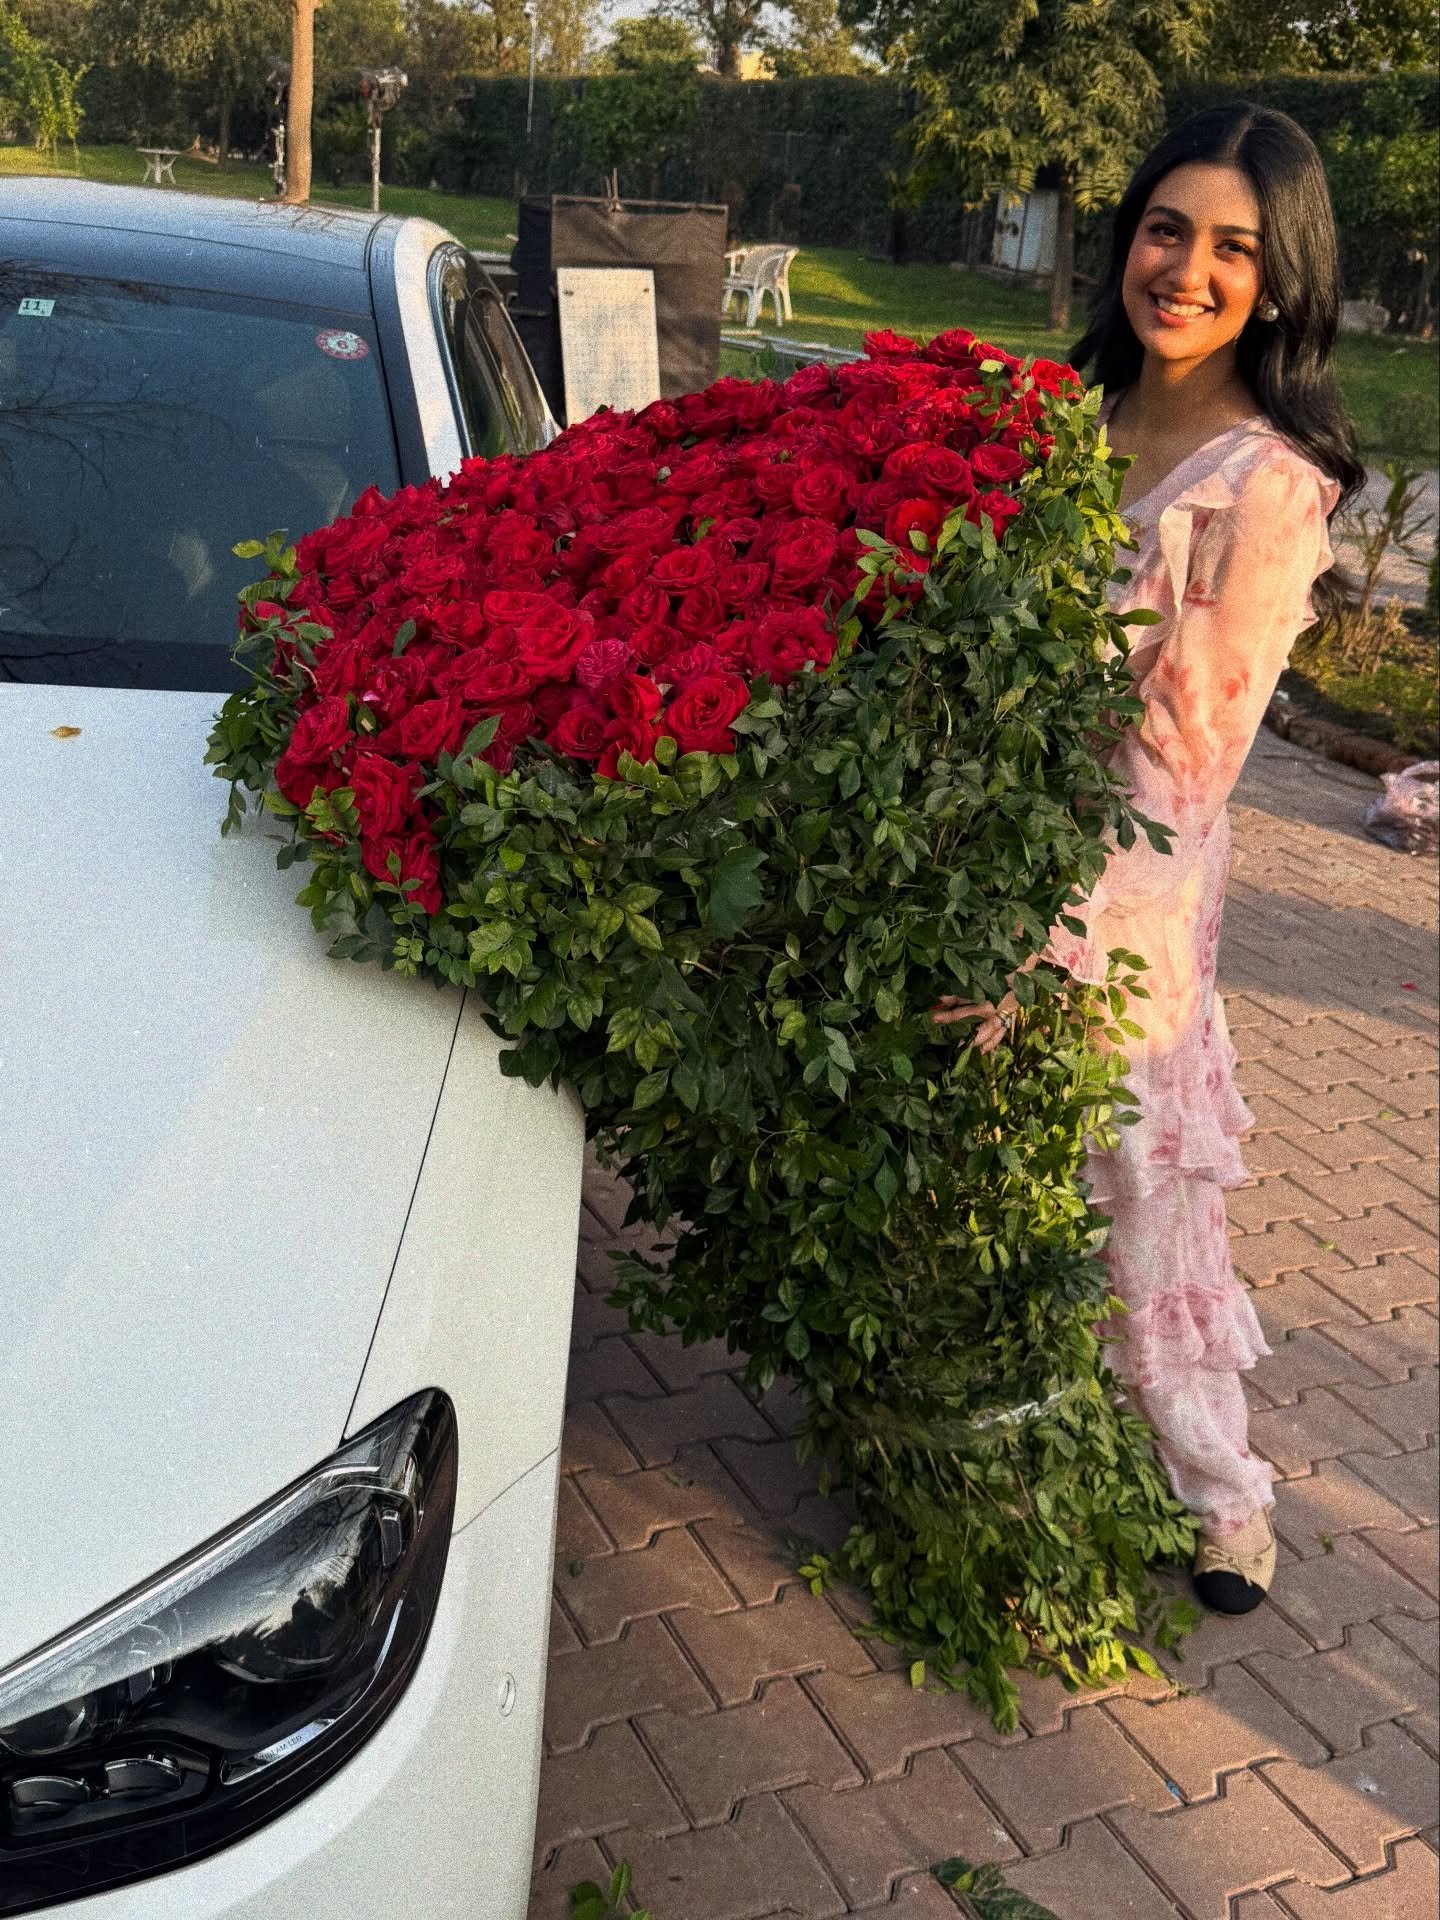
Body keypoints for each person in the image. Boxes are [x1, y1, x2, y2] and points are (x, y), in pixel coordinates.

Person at [936, 102, 1366, 1615]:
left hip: (1119, 909)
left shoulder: (1265, 490)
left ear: (1281, 278)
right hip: (972, 858)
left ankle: (1222, 1495)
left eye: (1233, 247)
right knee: (990, 1193)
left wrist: (1033, 942)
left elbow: (1184, 776)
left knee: (1141, 1199)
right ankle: (1014, 1444)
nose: (1186, 270)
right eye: (1165, 230)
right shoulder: (1069, 418)